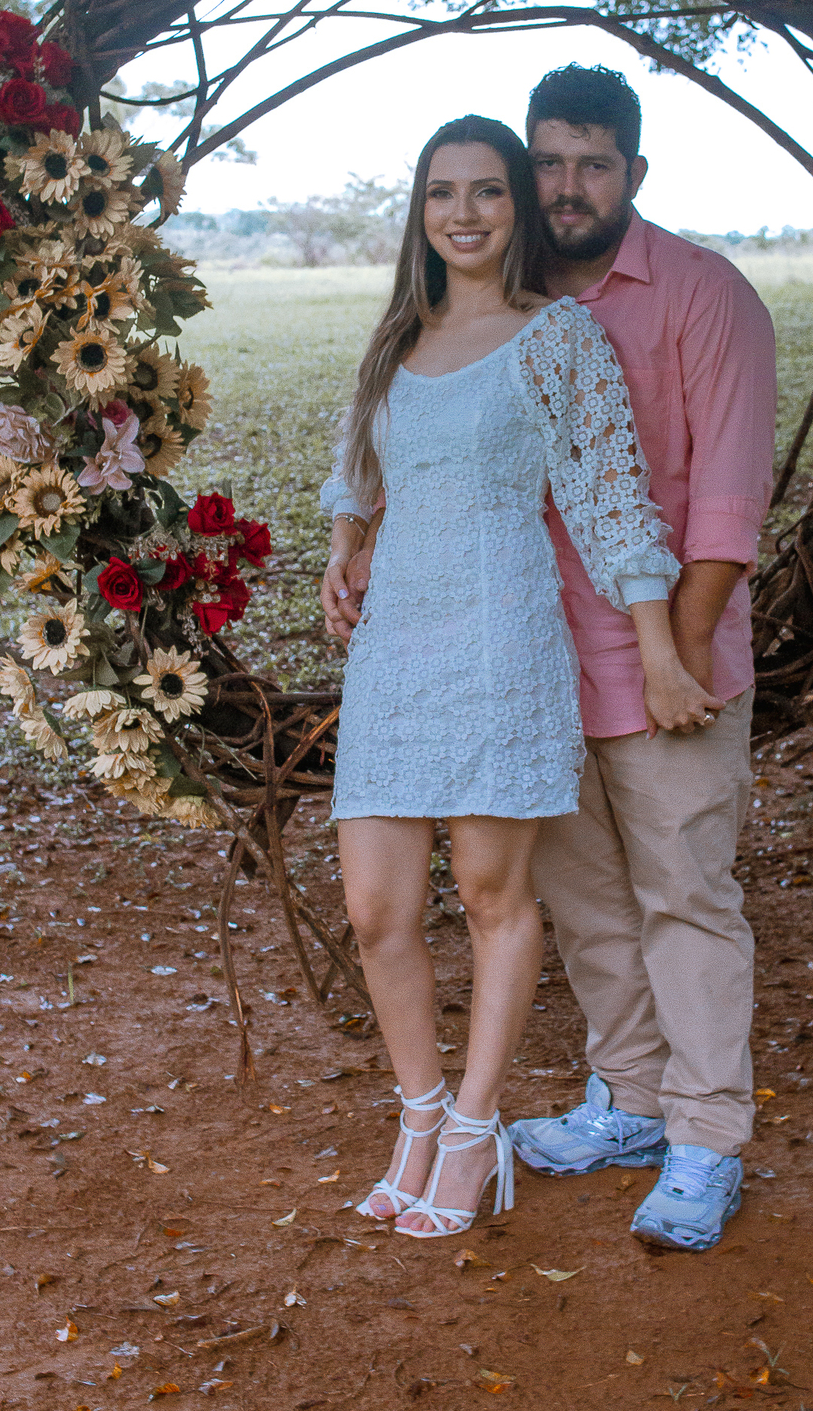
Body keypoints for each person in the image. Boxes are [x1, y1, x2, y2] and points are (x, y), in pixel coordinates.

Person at [330, 68, 777, 1253]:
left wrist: (678, 654)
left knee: (684, 894)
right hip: (533, 658)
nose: (567, 185)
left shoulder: (702, 295)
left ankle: (704, 1137)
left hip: (660, 654)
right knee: (585, 906)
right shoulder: (478, 309)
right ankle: (630, 1099)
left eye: (594, 163)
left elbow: (719, 504)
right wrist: (353, 537)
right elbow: (399, 455)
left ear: (634, 170)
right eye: (550, 164)